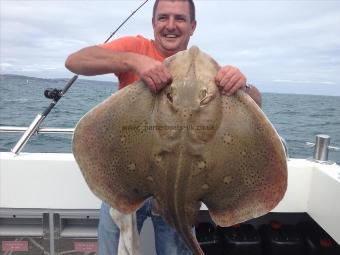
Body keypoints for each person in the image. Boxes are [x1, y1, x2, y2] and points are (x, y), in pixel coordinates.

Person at [65, 0, 262, 254]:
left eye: (179, 19)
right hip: (126, 183)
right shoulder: (135, 47)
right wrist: (132, 61)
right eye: (163, 18)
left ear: (193, 26)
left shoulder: (209, 73)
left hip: (186, 195)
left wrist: (242, 86)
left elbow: (255, 105)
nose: (170, 25)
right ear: (153, 23)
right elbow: (74, 61)